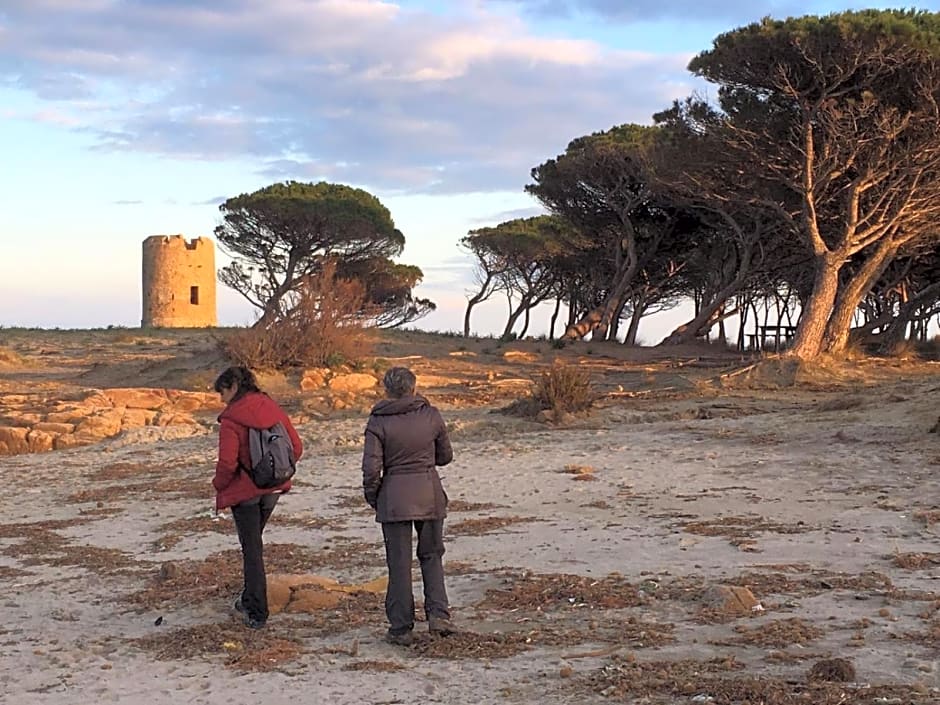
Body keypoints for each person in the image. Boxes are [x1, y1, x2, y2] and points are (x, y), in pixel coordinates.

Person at [362, 366, 456, 646]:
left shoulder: (377, 421)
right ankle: (439, 615)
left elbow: (370, 468)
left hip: (393, 497)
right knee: (432, 555)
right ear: (414, 387)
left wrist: (374, 496)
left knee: (399, 563)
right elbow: (445, 456)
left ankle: (401, 626)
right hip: (428, 492)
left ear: (386, 390)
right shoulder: (431, 415)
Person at [212, 366, 302, 629]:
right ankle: (248, 598)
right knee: (253, 545)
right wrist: (275, 470)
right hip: (273, 487)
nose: (221, 398)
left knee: (252, 551)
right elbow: (296, 447)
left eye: (222, 392)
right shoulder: (272, 408)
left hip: (246, 492)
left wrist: (218, 486)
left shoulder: (231, 419)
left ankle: (256, 611)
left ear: (233, 387)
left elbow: (227, 463)